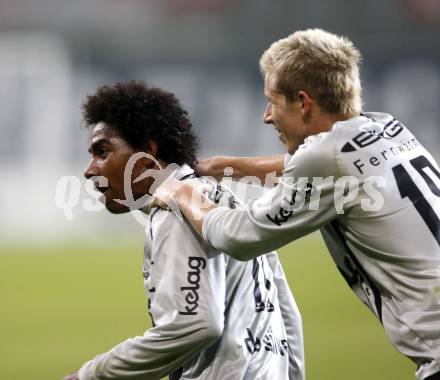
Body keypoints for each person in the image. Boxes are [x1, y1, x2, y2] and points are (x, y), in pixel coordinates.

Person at [150, 29, 440, 380]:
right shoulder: (386, 128)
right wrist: (223, 166)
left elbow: (239, 237)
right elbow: (307, 168)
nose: (266, 116)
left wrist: (181, 193)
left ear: (303, 103)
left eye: (273, 101)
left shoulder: (324, 161)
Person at [63, 81, 305, 380]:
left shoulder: (176, 209)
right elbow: (286, 313)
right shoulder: (222, 199)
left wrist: (90, 375)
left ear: (147, 152)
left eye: (103, 151)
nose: (89, 170)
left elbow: (195, 324)